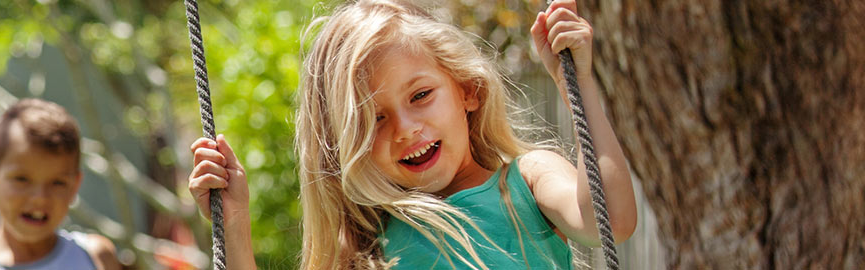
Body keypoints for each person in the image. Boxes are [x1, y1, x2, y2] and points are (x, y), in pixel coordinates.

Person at [187, 0, 637, 269]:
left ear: (468, 90)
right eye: (374, 119)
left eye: (420, 95)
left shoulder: (525, 182)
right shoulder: (366, 240)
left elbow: (610, 220)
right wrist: (235, 227)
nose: (405, 129)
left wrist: (577, 84)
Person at [0, 98, 122, 270]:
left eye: (58, 183)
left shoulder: (95, 257)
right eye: (22, 179)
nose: (40, 198)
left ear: (74, 186)